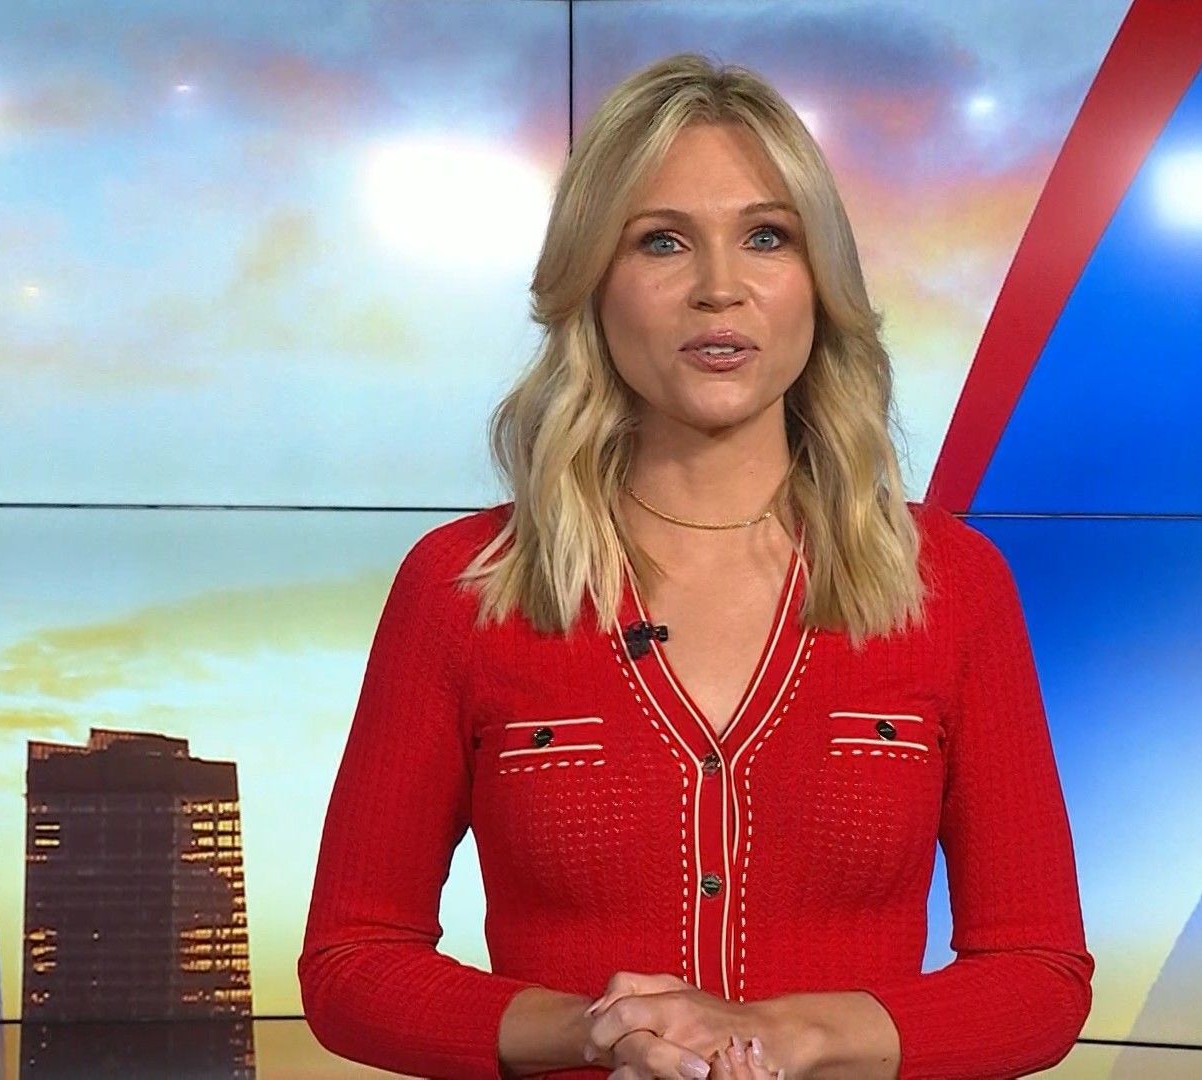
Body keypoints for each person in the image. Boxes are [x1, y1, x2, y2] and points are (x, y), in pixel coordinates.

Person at [298, 52, 1093, 1080]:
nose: (721, 289)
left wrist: (795, 1035)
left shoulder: (951, 583)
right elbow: (354, 964)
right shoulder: (465, 586)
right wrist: (596, 1028)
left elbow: (1038, 978)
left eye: (767, 237)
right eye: (662, 241)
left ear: (820, 283)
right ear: (594, 284)